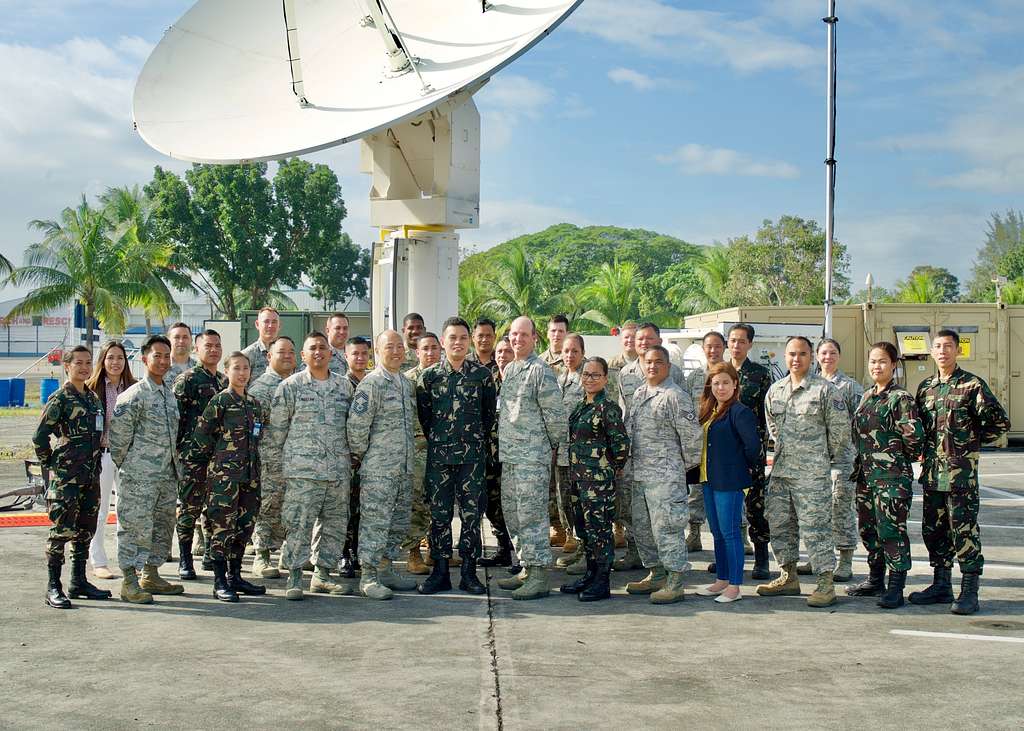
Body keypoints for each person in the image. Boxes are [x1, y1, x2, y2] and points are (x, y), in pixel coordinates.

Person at [910, 329, 1010, 615]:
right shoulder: (926, 387)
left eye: (948, 346)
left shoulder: (971, 385)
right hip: (932, 474)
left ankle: (969, 590)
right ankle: (941, 585)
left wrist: (970, 443)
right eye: (938, 346)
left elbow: (1000, 423)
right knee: (934, 529)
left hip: (960, 476)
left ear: (958, 351)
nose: (943, 351)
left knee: (963, 530)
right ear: (932, 352)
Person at [757, 336, 850, 608]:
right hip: (782, 472)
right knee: (780, 525)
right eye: (791, 354)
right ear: (785, 357)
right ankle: (788, 576)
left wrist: (817, 459)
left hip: (812, 475)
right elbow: (773, 429)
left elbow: (840, 433)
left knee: (815, 529)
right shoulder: (776, 390)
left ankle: (825, 583)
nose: (796, 359)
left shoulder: (825, 391)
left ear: (811, 357)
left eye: (802, 354)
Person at [266, 332, 354, 600]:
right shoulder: (290, 387)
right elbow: (276, 433)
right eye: (312, 348)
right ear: (303, 356)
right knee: (298, 525)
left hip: (337, 470)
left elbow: (353, 429)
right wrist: (275, 471)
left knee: (335, 525)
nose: (318, 352)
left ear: (330, 353)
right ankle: (294, 576)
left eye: (323, 348)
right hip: (302, 472)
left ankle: (323, 576)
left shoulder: (344, 387)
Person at [416, 317, 497, 595]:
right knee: (439, 515)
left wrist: (471, 440)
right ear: (442, 342)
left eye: (463, 338)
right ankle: (440, 571)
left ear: (469, 341)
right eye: (453, 338)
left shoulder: (482, 376)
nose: (458, 343)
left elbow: (488, 417)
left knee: (472, 515)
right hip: (439, 457)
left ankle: (469, 573)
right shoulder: (429, 377)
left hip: (471, 459)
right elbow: (424, 418)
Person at [847, 342, 925, 608]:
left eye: (882, 361)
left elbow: (915, 440)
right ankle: (875, 579)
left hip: (891, 478)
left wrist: (894, 461)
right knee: (868, 530)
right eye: (872, 362)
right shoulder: (867, 395)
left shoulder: (900, 399)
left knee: (892, 531)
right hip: (866, 477)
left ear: (893, 365)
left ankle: (896, 586)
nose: (876, 366)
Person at [495, 316, 567, 600]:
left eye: (523, 335)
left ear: (534, 338)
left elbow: (556, 418)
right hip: (511, 456)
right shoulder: (511, 368)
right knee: (513, 513)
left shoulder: (541, 371)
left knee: (532, 516)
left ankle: (538, 575)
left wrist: (547, 448)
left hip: (532, 458)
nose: (517, 339)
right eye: (513, 334)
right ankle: (526, 566)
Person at [185, 352, 266, 602]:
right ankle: (219, 581)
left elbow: (258, 434)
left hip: (250, 476)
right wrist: (214, 467)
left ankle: (235, 576)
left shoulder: (253, 403)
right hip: (224, 477)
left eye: (246, 368)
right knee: (222, 527)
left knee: (244, 527)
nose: (242, 373)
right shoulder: (220, 401)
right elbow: (201, 437)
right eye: (236, 369)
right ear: (227, 371)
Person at [623, 345, 700, 605]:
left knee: (667, 530)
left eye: (658, 362)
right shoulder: (639, 393)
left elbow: (692, 441)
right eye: (648, 362)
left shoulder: (675, 396)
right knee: (643, 529)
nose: (652, 366)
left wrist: (676, 469)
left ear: (667, 366)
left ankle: (675, 580)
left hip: (666, 477)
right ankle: (656, 573)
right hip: (640, 475)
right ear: (641, 365)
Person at [109, 335, 183, 604]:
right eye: (157, 356)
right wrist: (135, 468)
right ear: (144, 359)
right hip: (139, 477)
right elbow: (118, 443)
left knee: (162, 526)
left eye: (166, 356)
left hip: (166, 476)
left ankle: (150, 574)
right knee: (133, 527)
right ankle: (129, 581)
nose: (163, 361)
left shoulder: (168, 395)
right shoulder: (133, 396)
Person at [33, 346, 108, 609]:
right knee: (61, 529)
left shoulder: (92, 399)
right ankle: (53, 586)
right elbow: (40, 436)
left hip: (90, 474)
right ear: (67, 366)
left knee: (86, 528)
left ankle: (79, 581)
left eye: (88, 363)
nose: (85, 368)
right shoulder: (60, 398)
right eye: (79, 363)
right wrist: (52, 463)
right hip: (67, 477)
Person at [347, 330, 419, 600]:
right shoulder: (372, 384)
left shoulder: (404, 383)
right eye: (390, 347)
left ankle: (386, 568)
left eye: (400, 346)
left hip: (403, 468)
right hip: (379, 470)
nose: (397, 351)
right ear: (378, 351)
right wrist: (368, 457)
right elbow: (356, 427)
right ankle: (368, 576)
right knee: (374, 524)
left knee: (398, 523)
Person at [613, 322, 684, 572]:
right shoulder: (627, 375)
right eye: (639, 339)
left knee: (666, 522)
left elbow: (685, 428)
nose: (643, 343)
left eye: (649, 338)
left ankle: (672, 573)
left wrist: (680, 465)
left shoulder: (673, 376)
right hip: (636, 459)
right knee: (637, 516)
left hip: (665, 465)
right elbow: (625, 414)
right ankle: (643, 559)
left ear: (659, 341)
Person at [560, 356, 629, 602]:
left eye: (595, 375)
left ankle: (602, 581)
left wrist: (610, 469)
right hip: (579, 481)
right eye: (586, 375)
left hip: (598, 482)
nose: (589, 379)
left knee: (600, 530)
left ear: (605, 379)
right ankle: (590, 573)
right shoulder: (581, 406)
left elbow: (621, 446)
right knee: (585, 529)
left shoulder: (607, 408)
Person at [694, 362, 761, 604]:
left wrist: (736, 468)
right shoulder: (709, 410)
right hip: (708, 479)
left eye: (725, 382)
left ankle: (734, 585)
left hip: (729, 481)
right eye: (716, 383)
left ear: (735, 385)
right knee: (717, 533)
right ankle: (721, 580)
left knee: (731, 532)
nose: (720, 387)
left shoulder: (740, 412)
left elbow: (753, 447)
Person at [798, 338, 864, 582]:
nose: (828, 357)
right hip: (812, 460)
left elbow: (858, 423)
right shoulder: (808, 383)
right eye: (824, 353)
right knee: (814, 511)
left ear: (839, 356)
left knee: (840, 510)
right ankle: (818, 558)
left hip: (841, 460)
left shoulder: (849, 387)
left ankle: (845, 561)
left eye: (833, 353)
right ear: (816, 356)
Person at [173, 329, 227, 579]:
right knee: (189, 508)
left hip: (220, 457)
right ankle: (185, 559)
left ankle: (210, 554)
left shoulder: (225, 382)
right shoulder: (188, 379)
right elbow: (176, 419)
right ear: (197, 349)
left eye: (217, 345)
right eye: (208, 346)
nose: (213, 350)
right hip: (193, 457)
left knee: (215, 508)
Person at [85, 340, 136, 580]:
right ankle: (99, 561)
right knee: (101, 509)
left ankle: (128, 561)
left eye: (120, 358)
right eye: (110, 358)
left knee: (128, 511)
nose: (116, 363)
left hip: (128, 459)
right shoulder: (92, 388)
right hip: (103, 457)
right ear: (103, 361)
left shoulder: (134, 388)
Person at [247, 336, 296, 578]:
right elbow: (253, 430)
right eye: (281, 352)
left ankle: (289, 556)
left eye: (291, 352)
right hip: (269, 461)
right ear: (269, 356)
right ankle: (262, 556)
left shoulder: (298, 384)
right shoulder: (260, 389)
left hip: (296, 460)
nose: (287, 356)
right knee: (267, 507)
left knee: (293, 509)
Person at [727, 323, 773, 580]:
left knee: (755, 506)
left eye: (741, 341)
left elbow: (767, 415)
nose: (736, 345)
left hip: (750, 452)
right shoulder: (719, 372)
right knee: (727, 507)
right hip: (724, 453)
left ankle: (761, 559)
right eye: (732, 340)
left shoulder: (760, 374)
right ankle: (727, 557)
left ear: (750, 345)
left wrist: (761, 447)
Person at [401, 332, 442, 575]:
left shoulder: (447, 378)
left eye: (434, 348)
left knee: (441, 503)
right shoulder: (408, 381)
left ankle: (435, 551)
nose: (430, 353)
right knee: (417, 502)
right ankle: (413, 552)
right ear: (417, 352)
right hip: (418, 451)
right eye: (425, 348)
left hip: (443, 450)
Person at [683, 331, 727, 555]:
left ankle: (739, 534)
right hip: (699, 443)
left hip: (724, 443)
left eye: (717, 346)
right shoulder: (694, 378)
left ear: (723, 348)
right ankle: (694, 533)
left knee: (729, 490)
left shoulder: (730, 374)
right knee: (696, 491)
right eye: (708, 346)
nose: (713, 350)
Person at [480, 336, 517, 571]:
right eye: (500, 352)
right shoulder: (487, 381)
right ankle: (503, 550)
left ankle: (520, 558)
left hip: (513, 457)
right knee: (492, 505)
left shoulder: (518, 382)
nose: (502, 356)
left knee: (513, 507)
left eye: (507, 352)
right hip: (489, 456)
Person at [554, 334, 586, 573]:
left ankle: (585, 549)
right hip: (560, 452)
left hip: (581, 454)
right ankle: (572, 538)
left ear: (582, 352)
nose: (569, 355)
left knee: (582, 502)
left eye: (574, 351)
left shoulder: (588, 377)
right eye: (566, 351)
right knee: (564, 498)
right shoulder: (558, 378)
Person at [340, 335, 371, 577]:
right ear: (345, 356)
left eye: (364, 353)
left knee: (364, 508)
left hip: (370, 457)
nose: (360, 358)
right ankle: (344, 555)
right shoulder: (340, 385)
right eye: (355, 354)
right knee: (346, 508)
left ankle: (360, 552)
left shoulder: (374, 383)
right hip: (347, 457)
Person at [607, 322, 638, 553]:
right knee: (618, 487)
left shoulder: (649, 365)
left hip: (640, 437)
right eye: (626, 337)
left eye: (633, 337)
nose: (629, 341)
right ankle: (618, 528)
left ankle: (636, 540)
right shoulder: (611, 366)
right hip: (617, 432)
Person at [242, 307, 281, 384]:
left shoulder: (285, 354)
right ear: (257, 324)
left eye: (274, 322)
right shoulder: (247, 355)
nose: (270, 325)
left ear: (279, 325)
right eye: (266, 321)